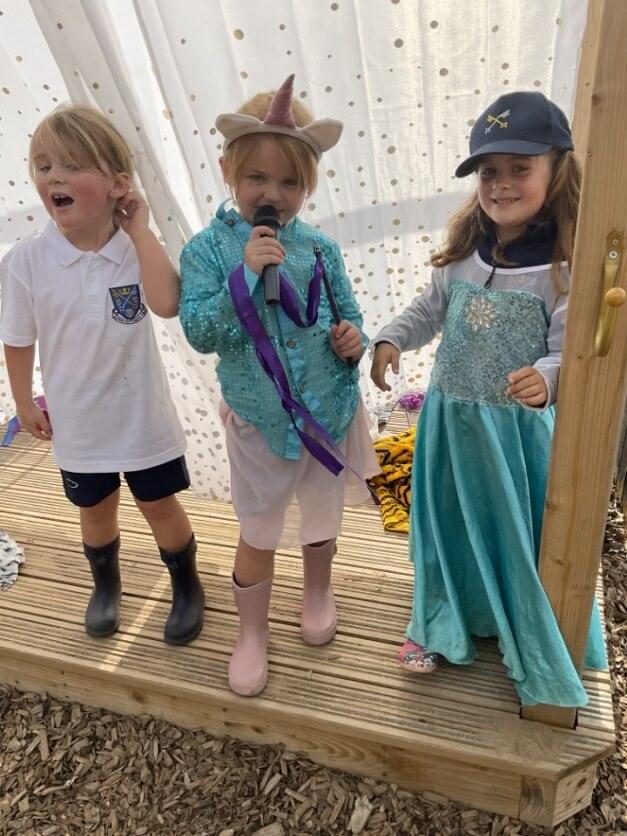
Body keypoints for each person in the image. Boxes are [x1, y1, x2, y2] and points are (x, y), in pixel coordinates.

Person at [370, 91, 607, 706]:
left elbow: (567, 349)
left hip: (513, 440)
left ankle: (511, 619)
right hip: (449, 424)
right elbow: (429, 310)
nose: (501, 184)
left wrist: (547, 379)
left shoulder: (564, 267)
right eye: (487, 171)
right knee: (446, 522)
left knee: (510, 530)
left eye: (519, 169)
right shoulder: (463, 257)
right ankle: (440, 618)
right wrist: (392, 337)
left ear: (557, 171)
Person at [179, 75, 378, 697]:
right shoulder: (207, 251)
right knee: (259, 526)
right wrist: (244, 276)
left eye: (289, 183)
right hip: (262, 420)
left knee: (321, 514)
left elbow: (347, 313)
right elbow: (200, 331)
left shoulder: (319, 248)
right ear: (227, 171)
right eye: (257, 178)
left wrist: (352, 339)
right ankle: (252, 632)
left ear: (307, 186)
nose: (273, 194)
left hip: (328, 410)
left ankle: (317, 592)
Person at [0, 105, 205, 646]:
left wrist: (141, 231)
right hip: (79, 424)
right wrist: (24, 402)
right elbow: (17, 339)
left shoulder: (136, 248)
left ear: (118, 184)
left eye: (72, 165)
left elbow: (167, 304)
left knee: (159, 505)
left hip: (143, 419)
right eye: (44, 165)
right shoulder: (26, 260)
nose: (54, 177)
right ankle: (106, 586)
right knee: (94, 510)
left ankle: (187, 585)